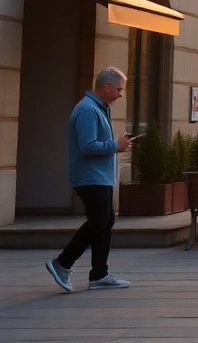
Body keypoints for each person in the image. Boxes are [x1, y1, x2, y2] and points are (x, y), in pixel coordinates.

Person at [45, 68, 135, 292]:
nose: (120, 94)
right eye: (119, 89)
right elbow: (87, 145)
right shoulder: (87, 109)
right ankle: (62, 263)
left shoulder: (99, 108)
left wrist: (117, 142)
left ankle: (99, 274)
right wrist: (116, 146)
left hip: (100, 176)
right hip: (89, 177)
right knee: (99, 220)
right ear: (106, 87)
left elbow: (96, 141)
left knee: (105, 221)